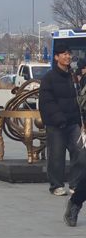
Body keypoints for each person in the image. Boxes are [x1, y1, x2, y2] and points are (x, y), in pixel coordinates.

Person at [39, 43, 83, 196]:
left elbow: (78, 99)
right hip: (56, 123)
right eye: (63, 54)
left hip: (73, 123)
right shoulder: (49, 78)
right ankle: (56, 185)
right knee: (56, 155)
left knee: (80, 152)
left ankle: (75, 184)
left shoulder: (73, 77)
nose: (67, 56)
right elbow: (46, 102)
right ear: (56, 57)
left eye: (69, 54)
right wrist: (59, 118)